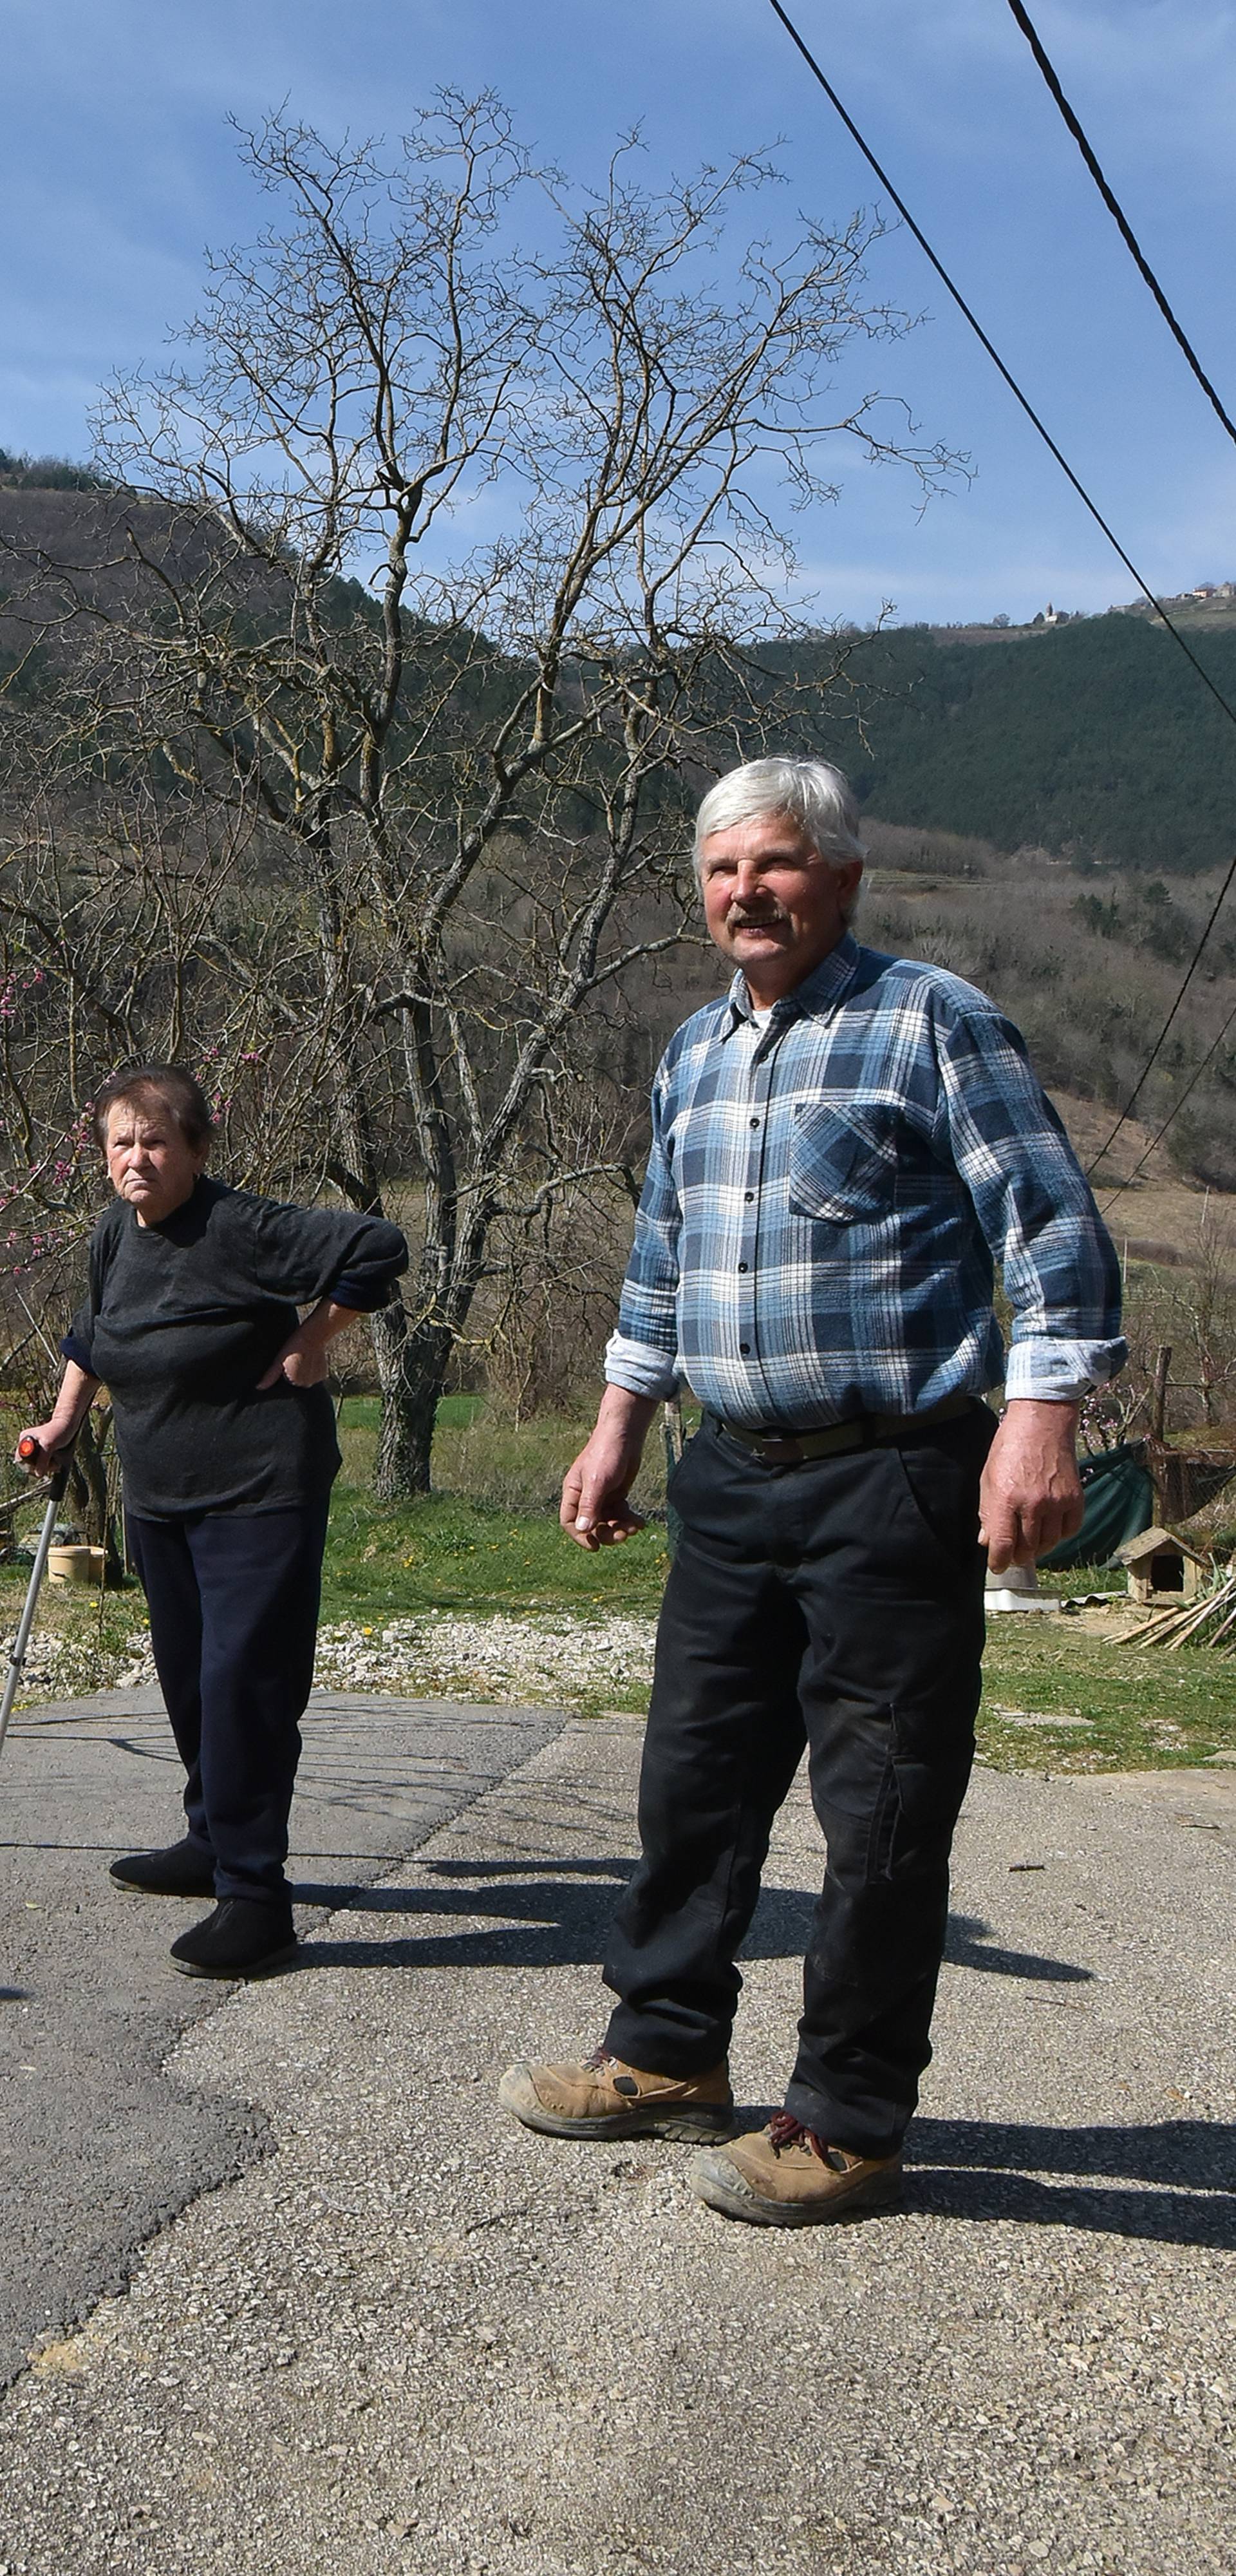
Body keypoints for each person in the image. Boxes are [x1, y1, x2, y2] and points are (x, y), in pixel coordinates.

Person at [498, 757, 1123, 2225]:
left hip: (893, 1472)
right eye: (720, 871)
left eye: (772, 865)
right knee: (692, 1782)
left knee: (879, 1811)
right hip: (729, 1474)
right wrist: (616, 1426)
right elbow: (660, 1259)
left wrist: (1036, 1425)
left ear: (839, 876)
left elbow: (1049, 1228)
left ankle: (847, 2114)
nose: (744, 893)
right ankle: (664, 2054)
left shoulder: (930, 1020)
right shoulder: (693, 1055)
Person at [19, 1065, 407, 1980]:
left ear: (195, 1149)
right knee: (191, 1681)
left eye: (157, 1141)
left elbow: (377, 1246)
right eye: (122, 1141)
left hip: (258, 1489)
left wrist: (313, 1341)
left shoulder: (241, 1229)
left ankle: (256, 1899)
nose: (137, 1157)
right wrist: (64, 1422)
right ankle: (209, 1843)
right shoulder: (118, 1233)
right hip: (161, 1496)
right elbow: (91, 1331)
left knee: (245, 1687)